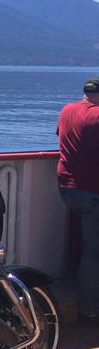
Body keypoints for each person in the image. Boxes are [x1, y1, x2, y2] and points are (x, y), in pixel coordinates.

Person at [56, 77, 99, 322]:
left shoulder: (66, 110)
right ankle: (90, 310)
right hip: (92, 193)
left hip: (67, 189)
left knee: (87, 249)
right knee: (93, 253)